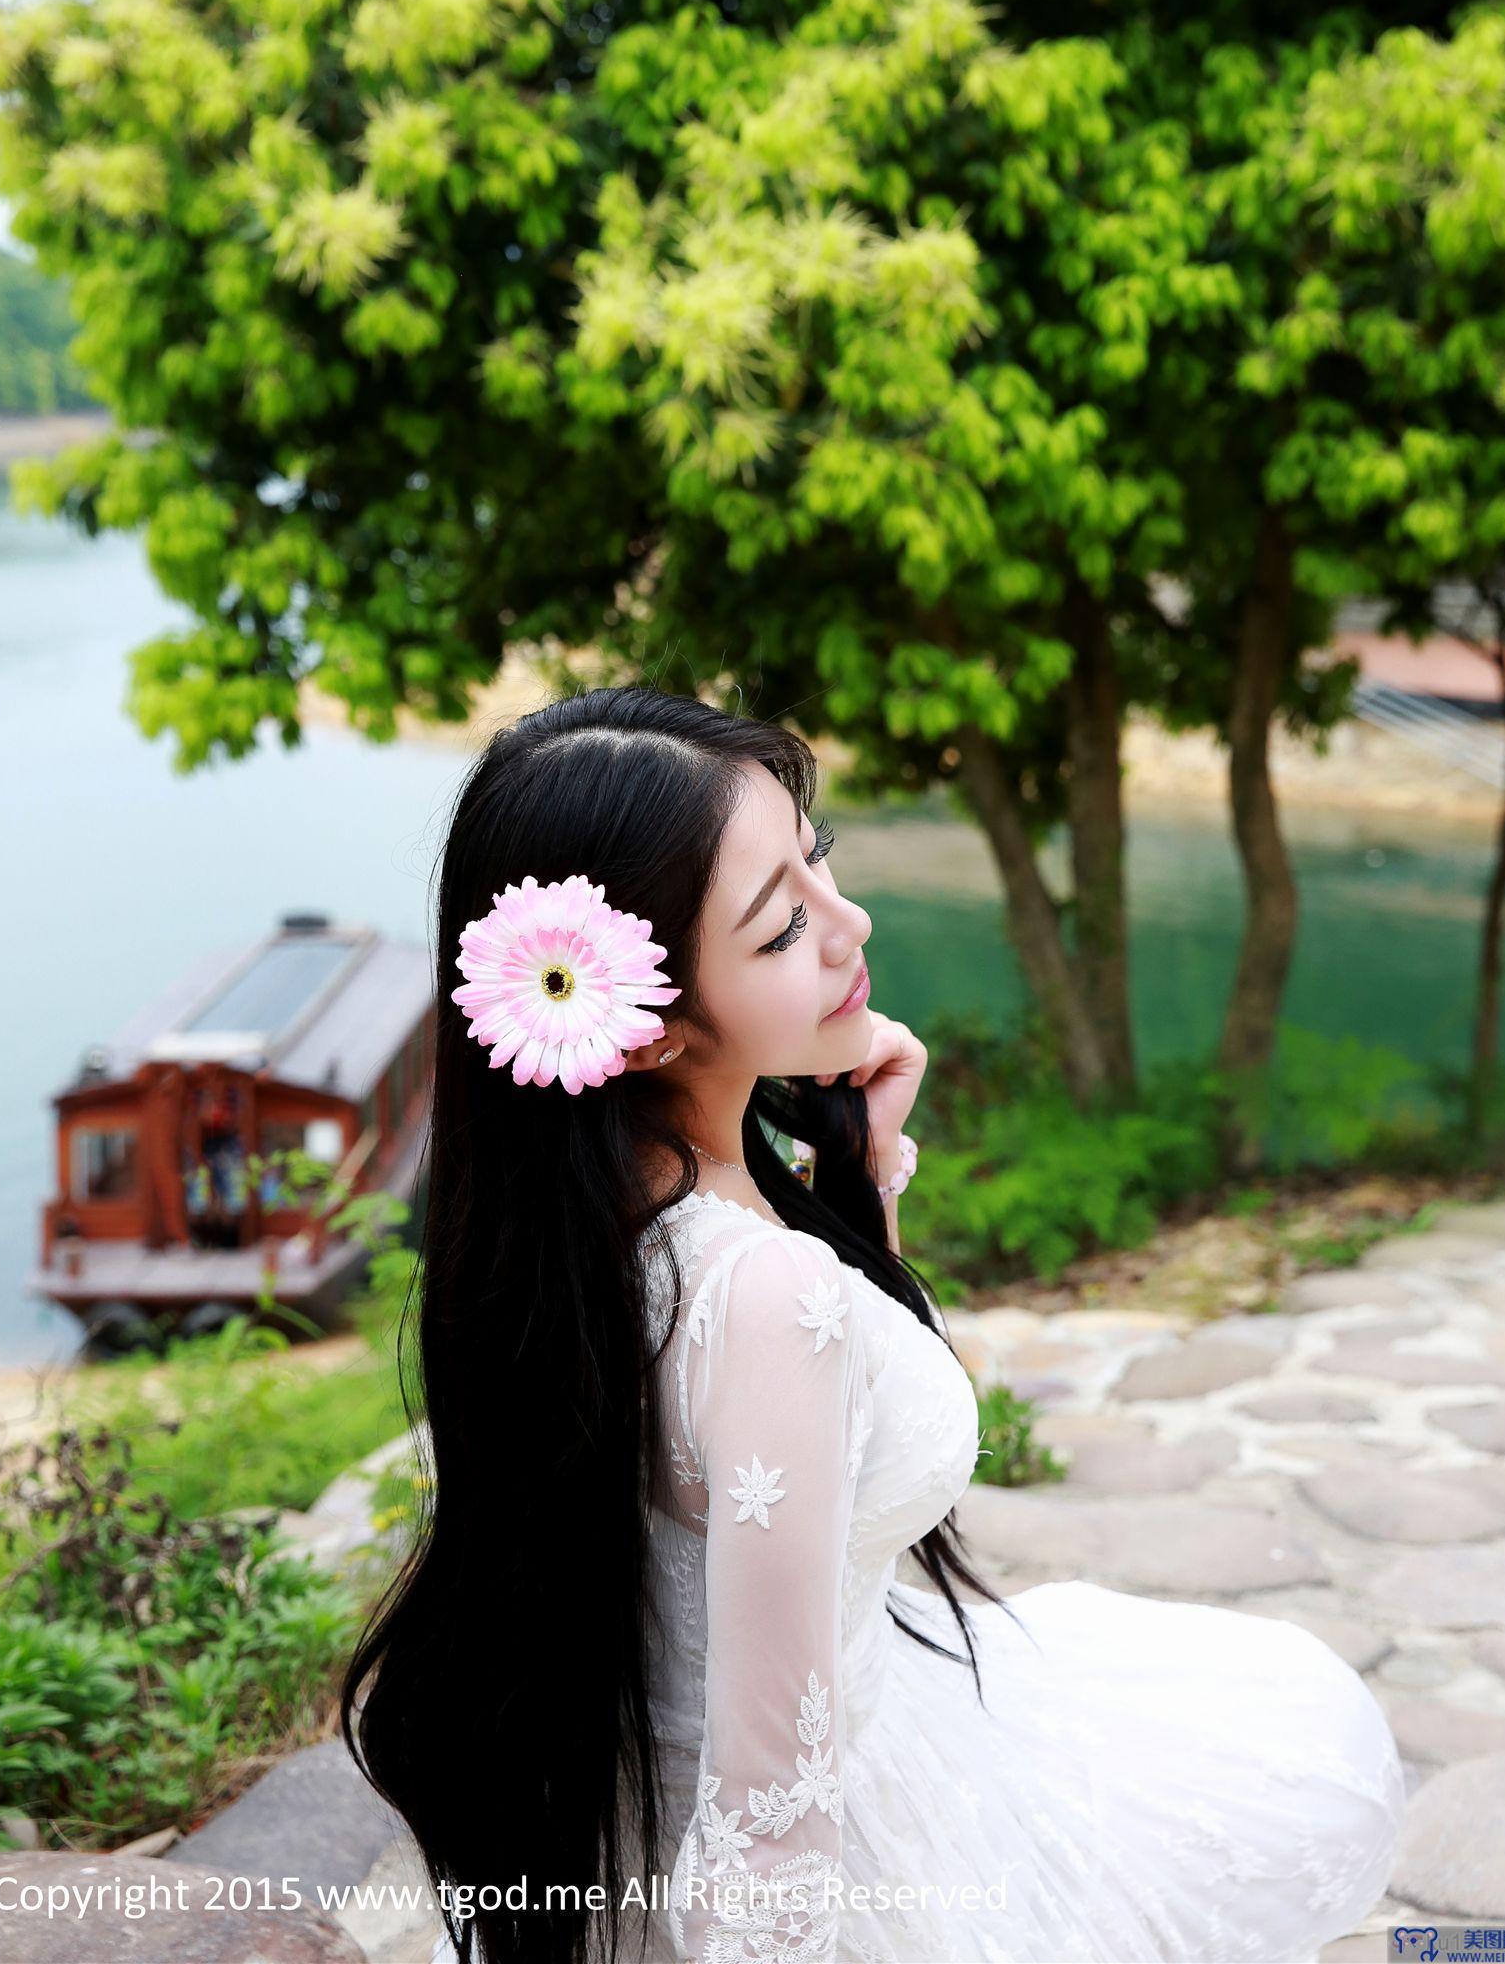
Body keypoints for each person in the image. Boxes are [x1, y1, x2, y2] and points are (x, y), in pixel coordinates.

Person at [340, 685, 1404, 1964]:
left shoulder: (559, 1239)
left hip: (719, 1778)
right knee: (1291, 1766)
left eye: (818, 858)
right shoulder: (757, 1298)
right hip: (854, 1847)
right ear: (641, 1029)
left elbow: (813, 1417)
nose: (851, 924)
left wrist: (860, 1169)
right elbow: (772, 1834)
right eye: (786, 922)